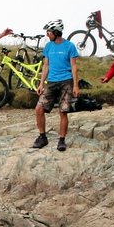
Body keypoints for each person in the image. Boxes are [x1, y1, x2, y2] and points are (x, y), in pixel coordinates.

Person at [32, 19, 79, 152]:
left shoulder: (70, 46)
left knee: (63, 111)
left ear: (56, 32)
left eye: (49, 32)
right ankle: (42, 137)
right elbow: (46, 65)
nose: (47, 34)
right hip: (51, 82)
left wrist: (75, 85)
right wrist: (41, 83)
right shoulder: (48, 46)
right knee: (39, 109)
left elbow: (74, 66)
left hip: (67, 81)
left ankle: (62, 140)